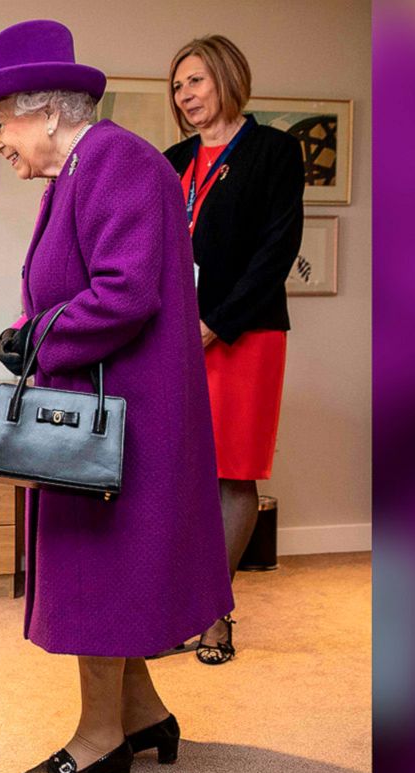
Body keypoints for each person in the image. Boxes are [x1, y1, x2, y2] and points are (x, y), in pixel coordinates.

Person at [0, 19, 232, 773]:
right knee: (104, 569)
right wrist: (29, 331)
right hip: (99, 405)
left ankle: (101, 735)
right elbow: (78, 286)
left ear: (43, 110)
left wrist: (37, 337)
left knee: (101, 573)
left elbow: (125, 291)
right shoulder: (82, 169)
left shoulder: (113, 160)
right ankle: (141, 713)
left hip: (121, 416)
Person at [162, 36, 303, 664]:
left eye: (193, 81)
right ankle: (177, 607)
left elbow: (276, 252)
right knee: (178, 470)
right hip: (175, 335)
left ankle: (216, 615)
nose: (185, 95)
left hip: (245, 333)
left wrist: (217, 323)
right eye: (176, 87)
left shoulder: (275, 151)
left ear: (225, 77)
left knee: (231, 471)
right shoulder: (172, 160)